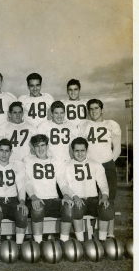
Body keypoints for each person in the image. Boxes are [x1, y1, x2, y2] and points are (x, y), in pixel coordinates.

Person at [79, 98, 121, 237]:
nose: (94, 111)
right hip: (90, 166)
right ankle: (91, 232)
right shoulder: (84, 125)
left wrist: (109, 162)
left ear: (102, 109)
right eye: (91, 109)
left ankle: (110, 233)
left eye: (96, 108)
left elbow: (117, 148)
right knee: (92, 198)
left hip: (107, 164)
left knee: (109, 198)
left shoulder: (111, 124)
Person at [59, 137, 113, 241]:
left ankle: (102, 240)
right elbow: (64, 185)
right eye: (77, 151)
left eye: (82, 150)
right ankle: (81, 241)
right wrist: (74, 197)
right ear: (72, 151)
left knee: (106, 208)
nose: (80, 154)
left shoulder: (96, 164)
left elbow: (103, 183)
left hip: (93, 199)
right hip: (78, 199)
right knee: (76, 208)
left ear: (86, 150)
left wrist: (105, 196)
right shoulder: (66, 166)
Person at [24, 134, 73, 243]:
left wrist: (65, 195)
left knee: (68, 207)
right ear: (32, 147)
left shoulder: (55, 161)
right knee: (37, 209)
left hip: (53, 200)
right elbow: (27, 182)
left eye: (42, 145)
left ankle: (64, 242)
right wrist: (33, 197)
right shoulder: (28, 160)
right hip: (37, 199)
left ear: (47, 146)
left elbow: (62, 181)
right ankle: (38, 243)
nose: (40, 149)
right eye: (37, 146)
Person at [0, 139, 28, 247]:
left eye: (7, 151)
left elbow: (21, 186)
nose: (4, 153)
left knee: (22, 213)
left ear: (11, 152)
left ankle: (19, 246)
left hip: (12, 200)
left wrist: (22, 201)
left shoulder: (17, 165)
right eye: (1, 150)